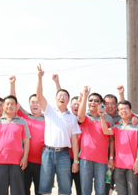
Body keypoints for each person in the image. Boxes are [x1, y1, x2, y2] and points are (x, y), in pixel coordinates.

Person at [35, 64, 81, 195]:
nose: (62, 97)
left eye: (65, 96)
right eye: (59, 96)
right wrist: (40, 77)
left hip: (64, 154)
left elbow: (75, 141)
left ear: (68, 100)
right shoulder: (49, 111)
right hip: (47, 152)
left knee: (65, 189)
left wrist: (76, 161)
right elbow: (39, 95)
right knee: (45, 188)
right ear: (55, 99)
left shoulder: (72, 118)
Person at [0, 95, 31, 195]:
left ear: (16, 106)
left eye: (12, 104)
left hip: (17, 162)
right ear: (3, 106)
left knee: (17, 191)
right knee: (0, 190)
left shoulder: (22, 122)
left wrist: (25, 158)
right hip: (0, 161)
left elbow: (26, 141)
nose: (9, 106)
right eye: (7, 104)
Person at [10, 76, 46, 195]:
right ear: (29, 104)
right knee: (24, 190)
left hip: (41, 163)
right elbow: (13, 101)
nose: (35, 104)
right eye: (32, 102)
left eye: (37, 102)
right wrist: (12, 84)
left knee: (40, 191)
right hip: (24, 161)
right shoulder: (24, 116)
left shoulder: (47, 119)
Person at [99, 100, 138, 195]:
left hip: (132, 165)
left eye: (126, 108)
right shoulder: (117, 127)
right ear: (118, 112)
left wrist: (137, 161)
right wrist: (102, 118)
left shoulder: (137, 127)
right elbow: (106, 131)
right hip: (118, 165)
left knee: (132, 192)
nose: (124, 111)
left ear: (130, 110)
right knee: (121, 192)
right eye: (121, 109)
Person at [78, 87, 114, 195]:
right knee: (85, 191)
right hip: (85, 159)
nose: (93, 102)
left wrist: (111, 158)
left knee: (100, 191)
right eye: (91, 100)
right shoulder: (85, 117)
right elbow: (80, 116)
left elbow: (112, 140)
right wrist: (85, 96)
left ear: (101, 103)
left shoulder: (108, 119)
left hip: (101, 161)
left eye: (96, 100)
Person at [70, 95, 83, 195]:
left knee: (80, 188)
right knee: (66, 187)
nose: (76, 106)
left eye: (78, 104)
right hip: (67, 158)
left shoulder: (85, 120)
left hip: (82, 159)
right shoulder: (67, 119)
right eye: (74, 104)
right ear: (70, 106)